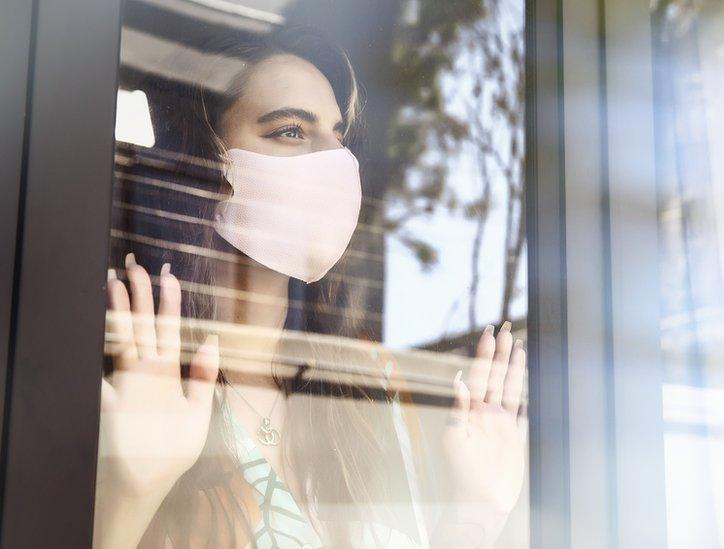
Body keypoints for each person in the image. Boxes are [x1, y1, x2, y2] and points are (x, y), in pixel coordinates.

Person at [94, 26, 527, 549]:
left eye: (339, 138)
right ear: (208, 163)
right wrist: (125, 499)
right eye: (291, 131)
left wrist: (472, 519)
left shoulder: (366, 402)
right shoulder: (135, 387)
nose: (336, 162)